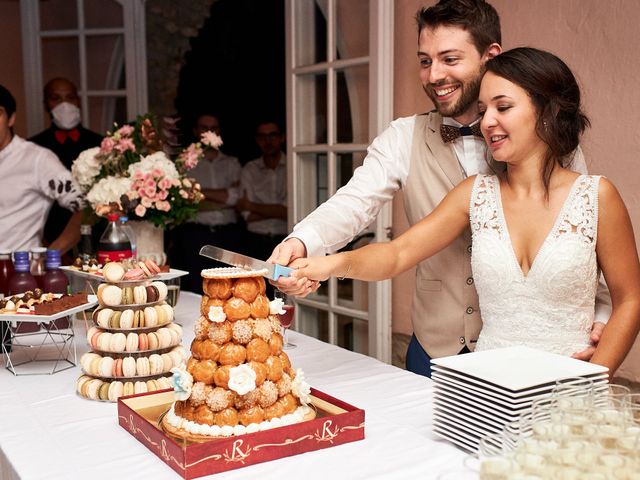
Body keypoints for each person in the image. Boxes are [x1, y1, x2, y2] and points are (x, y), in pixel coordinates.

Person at [269, 0, 611, 377]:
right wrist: (302, 243)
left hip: (528, 352)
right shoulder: (403, 136)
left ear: (489, 55)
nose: (434, 76)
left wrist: (601, 314)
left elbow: (583, 234)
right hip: (435, 348)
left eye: (449, 59)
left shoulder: (550, 140)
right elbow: (354, 205)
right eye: (425, 61)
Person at [0, 84, 85, 252]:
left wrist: (51, 255)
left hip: (16, 270)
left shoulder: (36, 159)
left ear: (11, 119)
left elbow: (85, 208)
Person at [169, 113, 243, 292]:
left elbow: (236, 197)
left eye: (214, 128)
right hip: (195, 234)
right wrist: (222, 197)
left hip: (228, 234)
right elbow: (183, 202)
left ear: (219, 131)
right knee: (197, 288)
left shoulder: (232, 163)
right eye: (204, 128)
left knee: (230, 288)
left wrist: (198, 191)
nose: (209, 132)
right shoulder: (184, 164)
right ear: (195, 131)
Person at [29, 77, 102, 250]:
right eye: (56, 98)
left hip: (97, 236)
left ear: (78, 101)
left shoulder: (101, 144)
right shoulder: (33, 148)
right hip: (49, 240)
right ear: (46, 104)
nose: (65, 104)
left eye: (70, 97)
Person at [237, 120, 288, 263]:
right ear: (257, 140)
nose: (268, 141)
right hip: (255, 241)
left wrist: (251, 206)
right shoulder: (249, 169)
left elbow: (289, 212)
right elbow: (248, 216)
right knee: (254, 284)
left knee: (286, 284)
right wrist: (279, 211)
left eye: (272, 135)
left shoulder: (294, 165)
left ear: (282, 138)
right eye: (262, 137)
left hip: (286, 239)